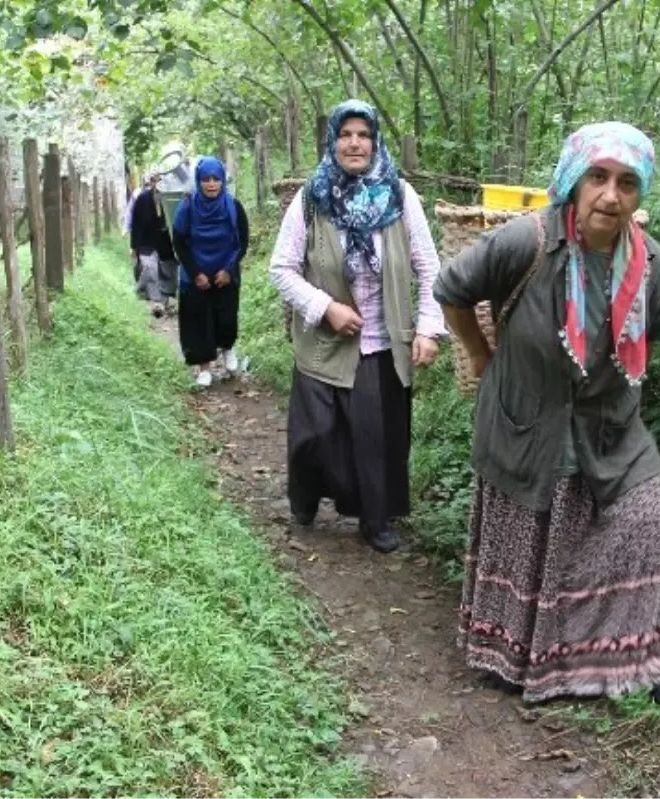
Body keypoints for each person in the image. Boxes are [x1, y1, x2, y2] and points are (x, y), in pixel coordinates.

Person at [432, 122, 660, 712]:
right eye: (598, 178)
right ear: (574, 181)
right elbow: (451, 288)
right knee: (531, 539)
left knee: (647, 521)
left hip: (610, 427)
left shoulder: (653, 265)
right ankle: (514, 655)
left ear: (640, 193)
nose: (611, 195)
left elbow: (647, 339)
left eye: (627, 183)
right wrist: (480, 353)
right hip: (527, 422)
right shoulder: (524, 242)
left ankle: (653, 660)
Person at [269, 99, 448, 554]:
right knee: (314, 438)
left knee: (375, 438)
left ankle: (375, 518)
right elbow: (282, 269)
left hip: (382, 343)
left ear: (375, 141)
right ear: (333, 140)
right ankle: (306, 500)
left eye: (363, 134)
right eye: (346, 134)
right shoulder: (313, 197)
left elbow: (428, 267)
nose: (354, 143)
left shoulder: (400, 196)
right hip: (324, 342)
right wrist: (325, 306)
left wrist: (428, 327)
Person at [171, 157, 250, 387]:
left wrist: (228, 269)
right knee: (198, 321)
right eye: (206, 179)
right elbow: (179, 242)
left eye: (216, 179)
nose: (212, 184)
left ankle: (228, 350)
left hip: (225, 273)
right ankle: (204, 367)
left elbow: (242, 242)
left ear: (223, 180)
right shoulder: (187, 206)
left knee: (226, 318)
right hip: (195, 275)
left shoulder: (233, 206)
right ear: (199, 181)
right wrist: (196, 274)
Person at [129, 172, 178, 318]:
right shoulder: (143, 199)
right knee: (149, 269)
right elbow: (136, 223)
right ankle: (156, 302)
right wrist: (134, 246)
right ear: (152, 182)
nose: (158, 182)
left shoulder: (171, 198)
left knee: (167, 272)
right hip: (146, 242)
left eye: (161, 179)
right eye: (155, 180)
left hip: (166, 243)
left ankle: (164, 302)